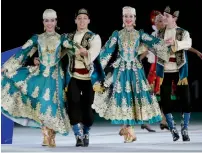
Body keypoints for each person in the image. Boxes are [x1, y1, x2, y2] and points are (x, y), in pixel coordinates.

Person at [92, 6, 170, 143]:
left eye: (131, 17)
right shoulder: (117, 34)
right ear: (123, 18)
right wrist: (96, 65)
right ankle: (127, 128)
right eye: (126, 16)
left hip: (135, 70)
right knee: (123, 97)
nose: (128, 19)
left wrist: (166, 44)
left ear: (135, 19)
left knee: (134, 98)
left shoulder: (139, 34)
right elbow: (107, 50)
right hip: (121, 70)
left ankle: (128, 129)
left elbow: (155, 43)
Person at [1, 9, 77, 147]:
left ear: (56, 22)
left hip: (56, 77)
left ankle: (52, 134)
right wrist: (6, 68)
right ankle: (45, 134)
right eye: (47, 20)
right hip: (40, 75)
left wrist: (84, 51)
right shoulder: (37, 38)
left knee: (53, 104)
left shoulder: (62, 39)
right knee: (42, 104)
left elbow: (74, 50)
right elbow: (23, 52)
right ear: (43, 22)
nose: (49, 23)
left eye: (52, 20)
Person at [63, 8, 105, 147]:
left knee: (88, 107)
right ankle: (77, 134)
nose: (82, 21)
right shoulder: (68, 37)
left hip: (89, 78)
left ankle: (86, 132)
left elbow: (93, 53)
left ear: (89, 20)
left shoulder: (94, 37)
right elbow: (59, 53)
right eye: (79, 18)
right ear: (75, 20)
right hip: (73, 76)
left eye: (84, 18)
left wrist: (85, 53)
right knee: (73, 103)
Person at [156, 6, 193, 142]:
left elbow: (188, 44)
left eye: (167, 16)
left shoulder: (182, 32)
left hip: (179, 71)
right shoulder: (159, 33)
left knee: (186, 100)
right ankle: (172, 129)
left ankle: (185, 128)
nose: (164, 18)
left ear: (174, 18)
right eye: (164, 15)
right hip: (164, 72)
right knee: (165, 101)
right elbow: (155, 48)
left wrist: (175, 43)